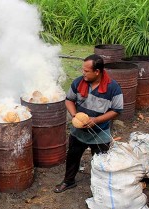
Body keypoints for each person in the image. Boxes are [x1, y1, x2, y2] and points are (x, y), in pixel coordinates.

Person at [53, 54, 123, 193]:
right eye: (83, 70)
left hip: (100, 132)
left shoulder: (113, 88)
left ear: (97, 72)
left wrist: (95, 120)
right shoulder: (79, 82)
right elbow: (69, 100)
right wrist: (75, 115)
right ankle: (68, 181)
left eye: (86, 71)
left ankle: (101, 188)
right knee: (72, 157)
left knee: (101, 162)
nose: (83, 73)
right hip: (78, 131)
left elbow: (117, 110)